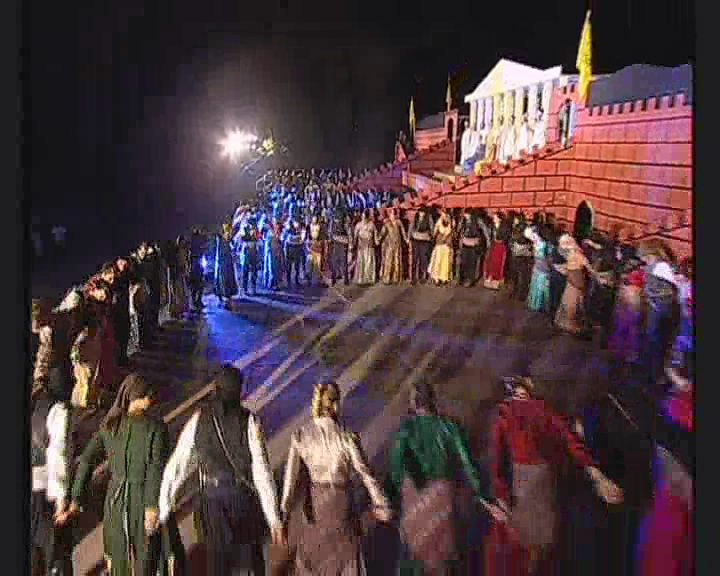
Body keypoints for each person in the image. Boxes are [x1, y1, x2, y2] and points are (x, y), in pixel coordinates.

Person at [488, 376, 623, 576]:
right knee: (540, 546)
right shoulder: (541, 408)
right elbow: (571, 441)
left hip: (528, 482)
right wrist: (597, 475)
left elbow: (496, 457)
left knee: (528, 546)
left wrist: (500, 494)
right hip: (539, 481)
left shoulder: (508, 412)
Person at [158, 365, 283, 576]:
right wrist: (273, 517)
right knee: (249, 561)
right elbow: (261, 470)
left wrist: (165, 506)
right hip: (241, 500)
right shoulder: (248, 421)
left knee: (217, 563)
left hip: (211, 502)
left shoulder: (199, 419)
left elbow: (179, 464)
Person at [62, 374, 181, 575]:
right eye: (148, 395)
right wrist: (152, 506)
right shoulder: (155, 428)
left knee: (120, 558)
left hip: (115, 503)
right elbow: (155, 469)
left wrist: (76, 498)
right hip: (143, 499)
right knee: (149, 558)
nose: (151, 399)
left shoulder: (110, 425)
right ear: (138, 395)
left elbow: (87, 459)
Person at [386, 380, 506, 574]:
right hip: (444, 498)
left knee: (415, 557)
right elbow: (468, 464)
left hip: (415, 498)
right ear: (432, 399)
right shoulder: (449, 426)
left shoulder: (405, 430)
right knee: (446, 557)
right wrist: (485, 498)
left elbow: (396, 469)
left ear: (413, 402)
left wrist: (390, 502)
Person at [280, 381, 392, 574]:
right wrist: (381, 504)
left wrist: (284, 515)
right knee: (345, 551)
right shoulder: (347, 437)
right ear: (336, 404)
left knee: (315, 554)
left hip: (316, 504)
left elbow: (290, 480)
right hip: (341, 502)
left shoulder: (301, 435)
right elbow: (365, 473)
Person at [31, 366, 75, 576]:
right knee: (56, 551)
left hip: (33, 489)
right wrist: (61, 497)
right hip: (47, 489)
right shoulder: (59, 411)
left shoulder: (36, 405)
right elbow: (58, 454)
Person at [525, 226, 552, 313]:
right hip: (537, 268)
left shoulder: (546, 245)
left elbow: (549, 260)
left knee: (541, 288)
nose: (532, 238)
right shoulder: (535, 243)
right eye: (530, 237)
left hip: (544, 270)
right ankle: (534, 305)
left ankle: (539, 306)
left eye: (533, 236)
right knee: (535, 287)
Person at [379, 208, 409, 284]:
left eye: (394, 213)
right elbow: (382, 232)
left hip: (397, 243)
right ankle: (387, 278)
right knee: (388, 260)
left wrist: (406, 239)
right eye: (391, 213)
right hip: (389, 244)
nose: (393, 215)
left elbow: (403, 232)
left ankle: (396, 277)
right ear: (389, 214)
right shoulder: (387, 222)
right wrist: (378, 239)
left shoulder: (398, 222)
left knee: (397, 260)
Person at [458, 209, 484, 286]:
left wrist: (487, 242)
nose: (465, 215)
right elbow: (460, 230)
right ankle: (462, 279)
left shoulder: (477, 221)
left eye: (466, 214)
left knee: (472, 263)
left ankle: (470, 280)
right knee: (463, 262)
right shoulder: (463, 221)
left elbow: (484, 230)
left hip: (473, 244)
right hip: (465, 243)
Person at [483, 212, 509, 290]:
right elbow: (490, 236)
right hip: (493, 245)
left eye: (495, 217)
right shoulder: (492, 226)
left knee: (498, 263)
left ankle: (496, 281)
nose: (494, 219)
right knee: (491, 262)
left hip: (500, 246)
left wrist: (501, 240)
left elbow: (506, 237)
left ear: (499, 219)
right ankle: (489, 278)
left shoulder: (504, 227)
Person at [214, 223, 238, 308]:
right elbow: (219, 253)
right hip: (222, 264)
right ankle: (223, 296)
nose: (229, 233)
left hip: (228, 263)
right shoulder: (220, 241)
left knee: (229, 279)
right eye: (228, 231)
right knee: (222, 280)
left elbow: (232, 249)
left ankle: (228, 296)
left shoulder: (229, 240)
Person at [353, 210, 378, 285]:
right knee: (361, 262)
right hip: (361, 247)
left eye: (365, 217)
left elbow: (375, 236)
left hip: (369, 247)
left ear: (367, 217)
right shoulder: (358, 225)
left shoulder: (372, 224)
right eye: (362, 217)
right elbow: (355, 236)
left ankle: (369, 279)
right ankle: (360, 279)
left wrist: (377, 241)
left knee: (369, 262)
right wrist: (353, 244)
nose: (363, 218)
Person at [409, 208, 434, 284]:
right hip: (415, 240)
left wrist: (430, 236)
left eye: (423, 212)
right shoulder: (415, 218)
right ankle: (413, 277)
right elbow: (411, 227)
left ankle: (422, 277)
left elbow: (431, 229)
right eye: (420, 212)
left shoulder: (428, 218)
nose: (421, 214)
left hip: (424, 241)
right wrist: (409, 237)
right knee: (415, 259)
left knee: (423, 259)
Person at [329, 210, 352, 286]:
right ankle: (335, 278)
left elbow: (348, 236)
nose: (337, 219)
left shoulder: (345, 224)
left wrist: (348, 243)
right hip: (337, 245)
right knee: (335, 262)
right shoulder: (334, 224)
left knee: (342, 263)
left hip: (342, 245)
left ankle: (345, 279)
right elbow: (331, 234)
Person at [240, 217, 260, 295]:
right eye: (251, 224)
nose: (253, 226)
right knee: (245, 270)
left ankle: (253, 288)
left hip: (254, 252)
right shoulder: (245, 229)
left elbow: (259, 239)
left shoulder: (256, 230)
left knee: (254, 271)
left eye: (254, 224)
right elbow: (242, 239)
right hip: (246, 252)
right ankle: (245, 288)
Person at [284, 217, 306, 288]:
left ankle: (296, 280)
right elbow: (286, 239)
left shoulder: (301, 228)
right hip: (290, 249)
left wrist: (299, 239)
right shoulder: (289, 229)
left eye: (297, 222)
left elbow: (302, 240)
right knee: (289, 266)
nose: (296, 224)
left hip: (297, 249)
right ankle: (288, 280)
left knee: (297, 266)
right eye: (295, 222)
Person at [188, 228, 207, 311]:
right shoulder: (192, 248)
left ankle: (198, 301)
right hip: (195, 268)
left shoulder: (197, 247)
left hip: (198, 266)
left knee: (199, 286)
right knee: (196, 286)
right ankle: (195, 301)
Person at [306, 213, 327, 286]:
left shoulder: (321, 227)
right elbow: (306, 238)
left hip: (318, 248)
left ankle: (318, 280)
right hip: (311, 248)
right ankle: (309, 279)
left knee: (318, 265)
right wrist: (308, 245)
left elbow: (323, 239)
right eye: (313, 219)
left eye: (315, 219)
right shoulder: (308, 226)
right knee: (309, 264)